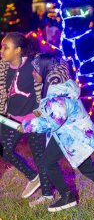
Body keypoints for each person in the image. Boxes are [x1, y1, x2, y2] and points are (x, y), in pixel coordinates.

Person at [18, 54, 94, 212]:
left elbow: (54, 120)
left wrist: (28, 126)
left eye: (35, 70)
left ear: (45, 71)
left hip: (74, 135)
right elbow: (49, 111)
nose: (33, 73)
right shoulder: (56, 87)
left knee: (54, 163)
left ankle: (68, 197)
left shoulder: (56, 93)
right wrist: (35, 115)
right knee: (81, 165)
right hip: (68, 133)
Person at [0, 32, 53, 206]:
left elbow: (47, 89)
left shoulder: (33, 65)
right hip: (12, 118)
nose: (2, 51)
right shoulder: (3, 67)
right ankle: (33, 176)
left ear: (18, 50)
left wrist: (39, 115)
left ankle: (47, 195)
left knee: (40, 156)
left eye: (6, 48)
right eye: (2, 47)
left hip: (33, 118)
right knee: (5, 149)